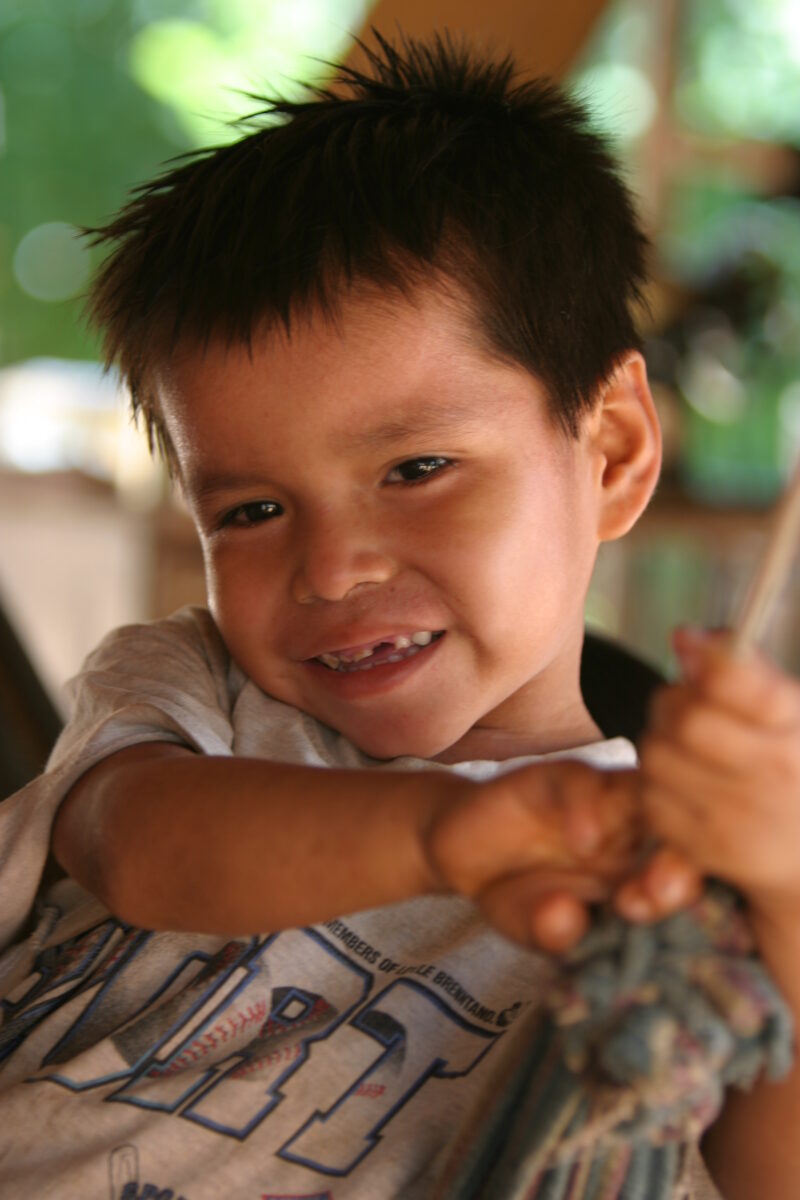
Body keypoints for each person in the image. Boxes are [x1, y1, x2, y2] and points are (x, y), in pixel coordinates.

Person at [0, 30, 798, 1200]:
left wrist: (781, 885)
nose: (329, 569)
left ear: (613, 450)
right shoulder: (195, 692)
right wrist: (439, 832)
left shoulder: (681, 873)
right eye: (254, 508)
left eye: (417, 469)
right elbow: (134, 846)